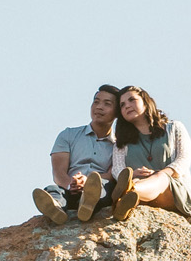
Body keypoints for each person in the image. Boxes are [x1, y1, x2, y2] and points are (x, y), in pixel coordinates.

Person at [33, 85, 123, 225]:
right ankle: (56, 209)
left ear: (117, 112)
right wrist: (71, 184)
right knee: (53, 190)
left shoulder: (119, 144)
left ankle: (87, 204)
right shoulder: (68, 135)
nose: (99, 107)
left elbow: (113, 174)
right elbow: (58, 173)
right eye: (96, 101)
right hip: (69, 188)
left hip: (99, 189)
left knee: (104, 187)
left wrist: (88, 182)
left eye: (107, 104)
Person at [105, 86, 191, 215]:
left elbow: (183, 160)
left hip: (172, 191)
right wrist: (132, 174)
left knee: (160, 178)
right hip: (141, 191)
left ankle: (128, 191)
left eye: (132, 100)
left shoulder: (174, 128)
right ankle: (126, 200)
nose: (127, 106)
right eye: (122, 105)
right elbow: (118, 170)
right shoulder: (121, 143)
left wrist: (160, 173)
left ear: (145, 101)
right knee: (135, 182)